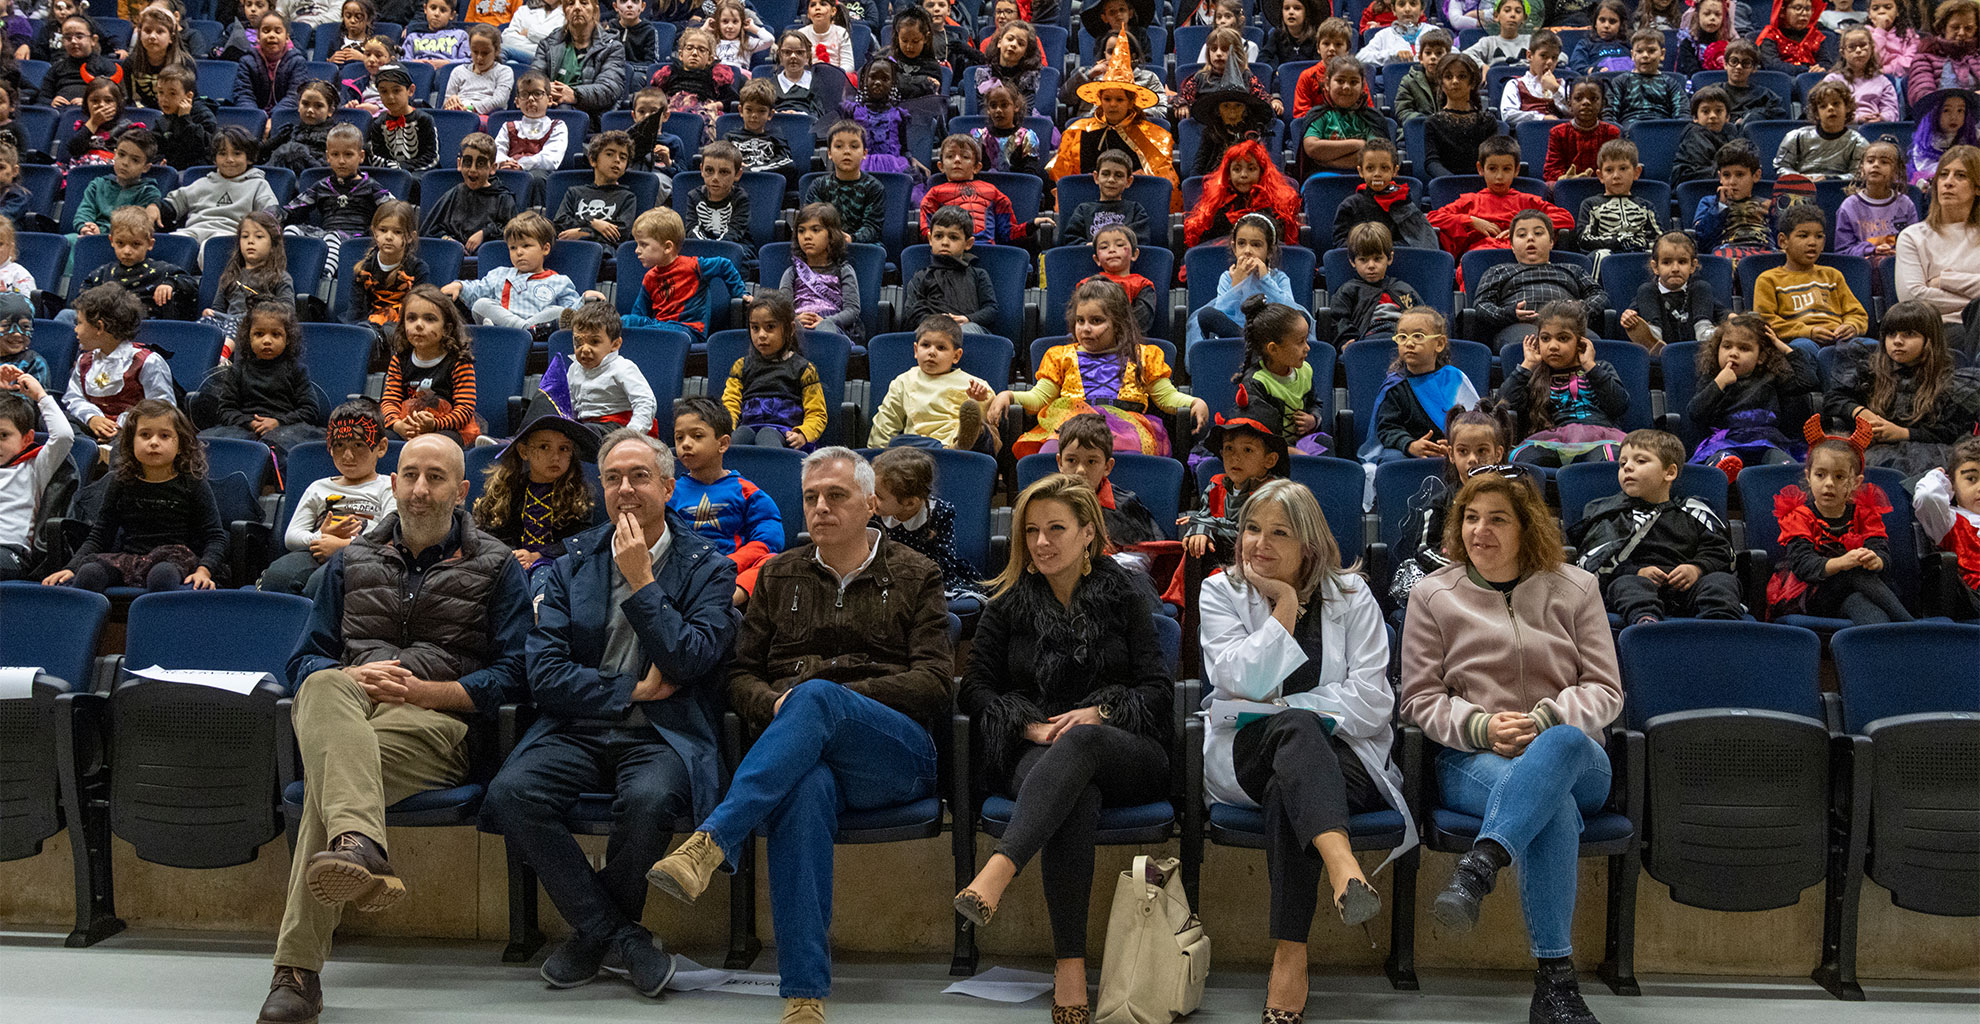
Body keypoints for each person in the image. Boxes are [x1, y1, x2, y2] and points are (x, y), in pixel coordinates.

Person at [643, 447, 952, 1024]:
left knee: (817, 697)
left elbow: (935, 681)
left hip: (892, 755)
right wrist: (773, 701)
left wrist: (833, 700)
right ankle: (803, 993)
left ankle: (713, 840)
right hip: (801, 747)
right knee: (804, 789)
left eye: (836, 496)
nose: (821, 508)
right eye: (811, 497)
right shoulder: (779, 573)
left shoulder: (915, 572)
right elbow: (739, 676)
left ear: (869, 503)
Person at [251, 433, 529, 1024]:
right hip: (347, 712)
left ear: (462, 491)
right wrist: (351, 673)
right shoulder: (350, 560)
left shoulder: (498, 566)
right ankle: (361, 847)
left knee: (334, 787)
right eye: (409, 475)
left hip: (435, 726)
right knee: (323, 684)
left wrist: (428, 691)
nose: (420, 489)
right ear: (393, 481)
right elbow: (304, 660)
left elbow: (517, 673)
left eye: (436, 477)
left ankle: (297, 973)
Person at [484, 427, 736, 996]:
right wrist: (629, 691)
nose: (626, 489)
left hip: (663, 734)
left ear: (669, 487)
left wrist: (643, 580)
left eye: (640, 476)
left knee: (648, 801)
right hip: (577, 726)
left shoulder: (707, 567)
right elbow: (543, 674)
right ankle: (620, 938)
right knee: (510, 793)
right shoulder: (572, 562)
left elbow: (691, 659)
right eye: (614, 478)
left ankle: (594, 936)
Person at [1399, 470, 1623, 1024]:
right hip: (1476, 759)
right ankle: (1556, 987)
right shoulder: (1433, 595)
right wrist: (1480, 727)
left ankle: (1482, 863)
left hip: (1576, 758)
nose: (1481, 531)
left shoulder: (1576, 587)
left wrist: (1547, 717)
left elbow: (1605, 689)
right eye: (1471, 518)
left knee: (1564, 744)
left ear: (1528, 528)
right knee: (1553, 810)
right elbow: (1419, 699)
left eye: (1498, 519)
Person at [951, 473, 1173, 1024]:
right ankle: (1070, 968)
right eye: (1031, 531)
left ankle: (998, 871)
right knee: (1074, 795)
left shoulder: (1124, 596)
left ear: (1087, 535)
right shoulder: (1006, 605)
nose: (1042, 542)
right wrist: (1029, 727)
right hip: (1036, 750)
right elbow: (976, 689)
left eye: (1056, 528)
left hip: (1126, 749)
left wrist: (1098, 713)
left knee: (1087, 742)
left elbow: (1156, 689)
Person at [1198, 478, 1415, 1024]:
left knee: (1288, 780)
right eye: (1250, 528)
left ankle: (1289, 956)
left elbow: (1372, 700)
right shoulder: (1220, 591)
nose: (1258, 544)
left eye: (1278, 533)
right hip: (1245, 753)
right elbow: (1245, 681)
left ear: (1310, 546)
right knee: (1292, 734)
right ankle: (1343, 869)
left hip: (1346, 760)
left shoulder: (1352, 594)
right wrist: (1286, 603)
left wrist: (1291, 706)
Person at [998, 278, 1207, 458]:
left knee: (1122, 455)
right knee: (1049, 454)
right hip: (1073, 422)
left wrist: (1193, 402)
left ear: (1118, 323)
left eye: (1096, 321)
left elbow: (1166, 397)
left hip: (1126, 426)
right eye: (1080, 321)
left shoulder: (1143, 355)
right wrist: (1010, 396)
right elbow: (1040, 398)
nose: (1086, 328)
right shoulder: (1060, 355)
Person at [45, 399, 226, 592]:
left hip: (175, 558)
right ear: (131, 442)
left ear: (180, 444)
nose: (154, 442)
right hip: (130, 557)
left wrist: (204, 571)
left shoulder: (192, 482)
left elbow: (215, 537)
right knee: (89, 573)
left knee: (162, 577)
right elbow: (100, 535)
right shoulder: (120, 481)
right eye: (145, 435)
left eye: (164, 436)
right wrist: (72, 568)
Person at [1569, 429, 1743, 624]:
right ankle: (1646, 626)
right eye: (1623, 463)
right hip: (1637, 586)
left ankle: (1720, 630)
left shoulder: (1693, 511)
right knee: (1626, 585)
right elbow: (1596, 563)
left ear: (1669, 472)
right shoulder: (1608, 513)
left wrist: (1697, 568)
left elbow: (1719, 552)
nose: (1628, 468)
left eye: (1640, 461)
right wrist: (1637, 572)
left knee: (1722, 582)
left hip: (1689, 588)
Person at [1766, 429, 1915, 622]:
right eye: (1820, 475)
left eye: (1839, 477)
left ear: (1855, 482)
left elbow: (1882, 553)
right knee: (1854, 572)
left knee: (1868, 611)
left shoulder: (1865, 514)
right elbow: (1804, 566)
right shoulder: (1799, 516)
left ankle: (1893, 643)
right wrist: (1843, 562)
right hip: (1812, 595)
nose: (1829, 483)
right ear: (1809, 477)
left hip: (1852, 595)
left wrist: (1875, 560)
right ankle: (1910, 624)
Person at [1824, 298, 1980, 472]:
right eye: (1891, 334)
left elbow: (1952, 432)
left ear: (1929, 340)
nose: (1897, 341)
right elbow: (1834, 398)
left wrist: (1902, 433)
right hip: (1876, 449)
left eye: (1909, 334)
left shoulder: (1949, 381)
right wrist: (1861, 413)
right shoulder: (1871, 369)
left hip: (1929, 451)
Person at [258, 400, 396, 595]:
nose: (348, 455)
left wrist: (343, 546)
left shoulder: (388, 487)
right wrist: (320, 538)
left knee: (322, 582)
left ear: (380, 447)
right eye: (339, 445)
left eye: (359, 445)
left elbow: (389, 535)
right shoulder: (319, 488)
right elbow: (292, 536)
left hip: (364, 557)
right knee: (278, 576)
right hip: (316, 550)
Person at [1389, 401, 1514, 605]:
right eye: (1463, 452)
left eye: (1482, 451)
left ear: (1498, 454)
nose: (1473, 460)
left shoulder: (1514, 500)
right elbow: (1424, 551)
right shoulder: (1439, 502)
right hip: (1451, 587)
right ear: (1451, 455)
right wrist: (1467, 570)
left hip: (1502, 585)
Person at [669, 395, 784, 601]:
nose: (686, 444)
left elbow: (769, 536)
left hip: (731, 571)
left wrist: (732, 563)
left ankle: (729, 599)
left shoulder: (746, 490)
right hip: (684, 570)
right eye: (679, 438)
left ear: (722, 444)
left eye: (697, 436)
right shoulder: (670, 492)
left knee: (772, 562)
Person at [473, 413, 599, 593]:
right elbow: (490, 531)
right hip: (509, 562)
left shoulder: (578, 494)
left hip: (556, 566)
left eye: (564, 449)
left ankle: (541, 609)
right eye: (544, 447)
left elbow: (580, 538)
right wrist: (512, 554)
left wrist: (539, 555)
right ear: (524, 452)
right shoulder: (507, 489)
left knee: (544, 576)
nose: (555, 457)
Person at [1686, 311, 1817, 478]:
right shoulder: (1713, 379)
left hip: (1766, 440)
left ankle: (1784, 472)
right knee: (1724, 456)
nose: (1733, 353)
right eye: (1727, 346)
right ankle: (1723, 469)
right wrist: (1719, 383)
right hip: (1727, 439)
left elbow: (1808, 382)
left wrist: (1782, 346)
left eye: (1744, 348)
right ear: (1717, 349)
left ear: (1760, 357)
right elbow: (1695, 412)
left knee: (1784, 464)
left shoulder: (1771, 377)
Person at [1501, 301, 1630, 466]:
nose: (1553, 346)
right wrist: (1526, 366)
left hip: (1601, 438)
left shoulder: (1600, 367)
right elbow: (1504, 404)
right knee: (1520, 458)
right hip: (1552, 440)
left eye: (1563, 338)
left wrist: (1591, 367)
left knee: (1611, 459)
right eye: (1545, 339)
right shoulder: (1535, 374)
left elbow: (1619, 405)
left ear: (1580, 341)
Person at [195, 300, 324, 455]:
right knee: (203, 444)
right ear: (248, 337)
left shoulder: (296, 370)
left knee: (284, 445)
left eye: (276, 334)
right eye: (259, 334)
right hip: (243, 428)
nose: (267, 341)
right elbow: (226, 410)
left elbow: (310, 409)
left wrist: (278, 422)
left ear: (288, 338)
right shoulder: (237, 370)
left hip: (286, 429)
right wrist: (250, 423)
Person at [1468, 210, 1608, 346]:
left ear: (1551, 242)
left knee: (1592, 344)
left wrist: (1579, 310)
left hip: (1568, 324)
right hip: (1519, 326)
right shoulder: (1499, 270)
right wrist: (1509, 314)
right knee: (1533, 344)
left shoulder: (1573, 269)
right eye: (1522, 235)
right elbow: (1481, 305)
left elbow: (1599, 295)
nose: (1530, 238)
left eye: (1538, 233)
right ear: (1512, 245)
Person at [1363, 307, 1482, 464]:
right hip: (1410, 451)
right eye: (1403, 337)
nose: (1409, 343)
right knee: (1392, 459)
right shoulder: (1395, 386)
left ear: (1439, 344)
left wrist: (1456, 445)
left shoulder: (1455, 380)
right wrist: (1410, 445)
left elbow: (1476, 422)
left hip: (1455, 448)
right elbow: (1388, 429)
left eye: (1418, 336)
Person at [1895, 144, 1980, 356]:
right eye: (1943, 175)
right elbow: (1913, 298)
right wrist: (1975, 306)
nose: (1948, 182)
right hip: (1939, 329)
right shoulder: (1913, 236)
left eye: (1961, 176)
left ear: (1977, 187)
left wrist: (1944, 281)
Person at [60, 284, 173, 443]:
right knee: (58, 420)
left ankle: (110, 448)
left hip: (131, 432)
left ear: (100, 327)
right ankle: (89, 449)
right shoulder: (85, 361)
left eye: (79, 323)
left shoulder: (145, 361)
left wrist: (120, 425)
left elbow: (162, 408)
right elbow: (74, 397)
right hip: (92, 428)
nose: (76, 330)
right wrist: (93, 418)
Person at [1431, 136, 1574, 259]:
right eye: (1492, 169)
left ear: (1516, 170)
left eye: (1506, 169)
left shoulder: (1527, 200)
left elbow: (1566, 218)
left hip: (1519, 255)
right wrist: (1470, 220)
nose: (1499, 176)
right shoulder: (1470, 201)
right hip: (1481, 256)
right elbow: (1432, 218)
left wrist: (1522, 227)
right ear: (1481, 169)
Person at [868, 314, 994, 452]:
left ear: (956, 356)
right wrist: (876, 456)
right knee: (898, 442)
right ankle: (949, 449)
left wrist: (979, 401)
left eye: (941, 348)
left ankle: (957, 446)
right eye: (925, 345)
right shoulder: (905, 381)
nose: (932, 352)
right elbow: (886, 423)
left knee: (983, 433)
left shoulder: (975, 384)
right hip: (922, 450)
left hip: (964, 445)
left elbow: (993, 418)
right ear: (916, 350)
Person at [1753, 206, 1873, 347]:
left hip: (1839, 340)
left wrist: (1851, 326)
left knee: (1871, 346)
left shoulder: (1832, 275)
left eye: (1819, 236)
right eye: (1803, 236)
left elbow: (1857, 313)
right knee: (1805, 346)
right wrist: (1807, 331)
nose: (1812, 242)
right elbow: (1766, 321)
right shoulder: (1768, 279)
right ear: (1783, 241)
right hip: (1798, 341)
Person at [0, 361, 71, 582]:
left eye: (3, 436)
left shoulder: (34, 465)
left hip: (11, 552)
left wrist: (41, 396)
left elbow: (64, 436)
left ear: (27, 438)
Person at [69, 205, 197, 323]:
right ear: (111, 241)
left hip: (143, 329)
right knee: (67, 315)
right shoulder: (101, 274)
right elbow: (82, 299)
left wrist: (170, 284)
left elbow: (191, 284)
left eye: (135, 244)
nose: (127, 251)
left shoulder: (163, 271)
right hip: (105, 328)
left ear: (150, 244)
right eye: (120, 243)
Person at [1055, 412, 1165, 548]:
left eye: (1091, 461)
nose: (1080, 471)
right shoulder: (1045, 503)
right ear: (1060, 463)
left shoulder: (1124, 506)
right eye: (1071, 460)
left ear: (1107, 467)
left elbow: (1140, 560)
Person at [1624, 231, 1728, 357]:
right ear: (1655, 267)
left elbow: (1721, 312)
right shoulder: (1649, 292)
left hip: (1697, 348)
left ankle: (1704, 331)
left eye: (1682, 262)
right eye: (1666, 262)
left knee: (1702, 286)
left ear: (1693, 266)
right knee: (1645, 289)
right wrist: (1628, 317)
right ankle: (1653, 335)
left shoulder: (1698, 290)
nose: (1675, 269)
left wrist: (1733, 318)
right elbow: (1632, 315)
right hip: (1662, 348)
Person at [901, 206, 999, 334]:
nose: (945, 242)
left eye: (953, 237)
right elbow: (911, 312)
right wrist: (939, 321)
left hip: (968, 329)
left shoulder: (978, 274)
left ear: (968, 243)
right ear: (930, 239)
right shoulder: (921, 276)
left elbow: (991, 309)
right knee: (923, 334)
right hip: (932, 329)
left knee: (966, 331)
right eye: (938, 236)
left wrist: (968, 318)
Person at [1912, 434, 1980, 616]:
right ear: (1953, 484)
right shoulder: (1949, 520)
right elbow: (1928, 497)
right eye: (1971, 479)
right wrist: (1940, 479)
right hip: (1971, 597)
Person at [1331, 138, 1438, 253]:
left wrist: (1385, 250)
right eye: (1370, 168)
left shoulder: (1402, 202)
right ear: (1361, 171)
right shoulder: (1350, 206)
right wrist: (1370, 247)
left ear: (1394, 171)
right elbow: (1340, 245)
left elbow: (1419, 242)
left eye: (1384, 168)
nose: (1377, 174)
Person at [420, 133, 517, 254]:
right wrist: (448, 240)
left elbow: (513, 232)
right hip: (453, 257)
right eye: (467, 162)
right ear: (459, 164)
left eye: (480, 164)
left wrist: (485, 233)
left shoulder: (502, 197)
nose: (473, 169)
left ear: (492, 168)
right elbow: (431, 230)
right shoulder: (455, 194)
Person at [531, 0, 627, 120]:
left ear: (595, 11)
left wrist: (574, 94)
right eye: (571, 4)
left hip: (592, 117)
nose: (577, 7)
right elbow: (533, 79)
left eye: (584, 3)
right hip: (549, 110)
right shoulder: (548, 44)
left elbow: (609, 89)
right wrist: (545, 88)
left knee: (564, 109)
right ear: (565, 12)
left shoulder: (612, 47)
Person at [1672, 86, 1748, 186]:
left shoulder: (1729, 135)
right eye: (1705, 111)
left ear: (1727, 117)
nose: (1712, 116)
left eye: (1718, 111)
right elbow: (1701, 171)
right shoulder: (1694, 134)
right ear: (1695, 117)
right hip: (1698, 187)